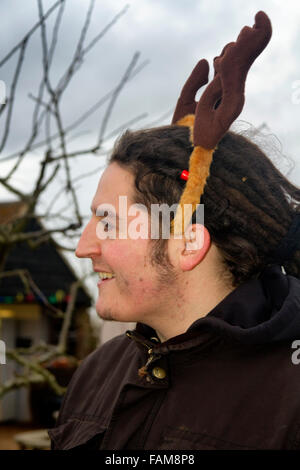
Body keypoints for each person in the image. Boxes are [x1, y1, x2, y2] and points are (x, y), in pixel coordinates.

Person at [48, 12, 300, 450]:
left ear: (186, 241)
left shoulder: (289, 401)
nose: (84, 247)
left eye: (108, 221)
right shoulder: (98, 372)